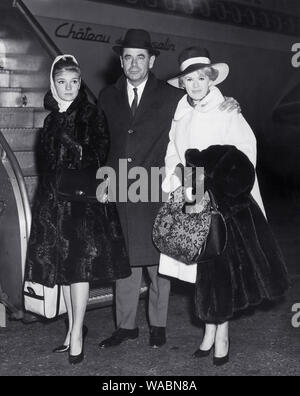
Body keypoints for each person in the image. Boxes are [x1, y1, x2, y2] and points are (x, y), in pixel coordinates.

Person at [97, 30, 239, 349]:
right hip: (120, 183)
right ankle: (125, 326)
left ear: (152, 60)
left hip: (157, 186)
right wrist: (103, 181)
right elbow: (101, 142)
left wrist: (227, 103)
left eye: (141, 57)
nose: (134, 64)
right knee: (125, 261)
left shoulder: (172, 96)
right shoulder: (106, 96)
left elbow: (202, 105)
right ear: (121, 61)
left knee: (159, 258)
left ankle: (157, 325)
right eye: (128, 57)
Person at [161, 47, 289, 365]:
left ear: (210, 79)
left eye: (200, 78)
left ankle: (222, 334)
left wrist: (218, 179)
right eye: (188, 79)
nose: (194, 84)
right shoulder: (180, 116)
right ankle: (208, 331)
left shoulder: (228, 111)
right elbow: (172, 154)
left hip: (224, 206)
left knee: (221, 270)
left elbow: (246, 151)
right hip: (193, 201)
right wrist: (178, 178)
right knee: (202, 272)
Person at [25, 55, 130, 364]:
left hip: (84, 203)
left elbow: (97, 154)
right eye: (62, 82)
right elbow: (45, 165)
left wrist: (68, 131)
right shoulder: (49, 118)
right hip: (55, 202)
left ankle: (77, 338)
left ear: (80, 82)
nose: (68, 88)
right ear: (53, 84)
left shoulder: (91, 114)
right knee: (65, 270)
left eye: (73, 82)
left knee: (79, 268)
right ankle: (73, 330)